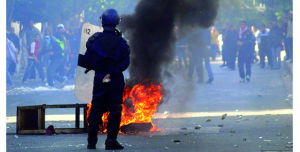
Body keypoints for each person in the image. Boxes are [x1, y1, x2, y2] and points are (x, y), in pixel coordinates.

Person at [81, 9, 130, 150]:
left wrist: (101, 70)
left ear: (102, 21)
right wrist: (112, 72)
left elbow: (87, 61)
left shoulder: (94, 40)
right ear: (117, 22)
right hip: (115, 79)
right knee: (115, 109)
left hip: (100, 78)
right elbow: (125, 62)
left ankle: (91, 141)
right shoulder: (121, 42)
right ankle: (111, 141)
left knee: (96, 108)